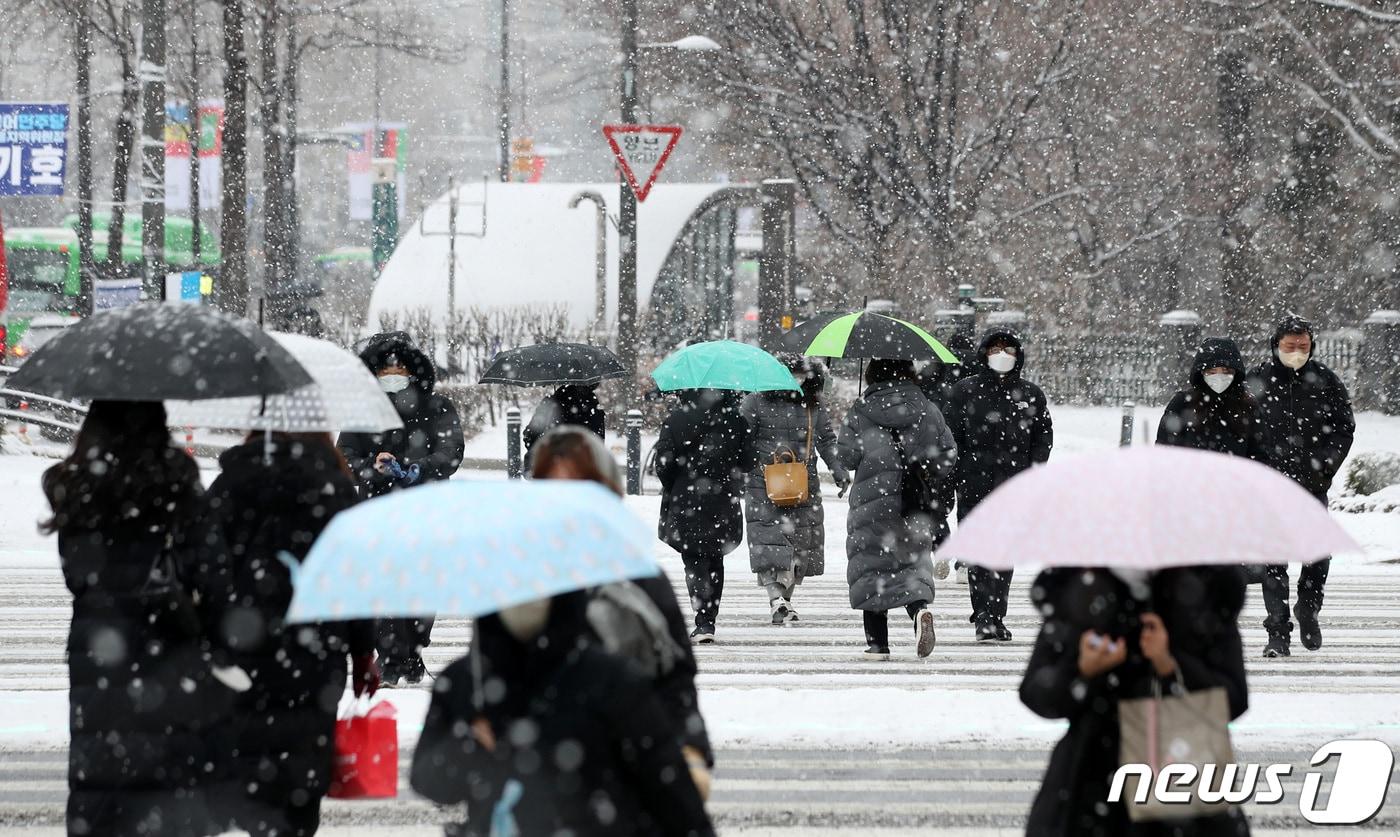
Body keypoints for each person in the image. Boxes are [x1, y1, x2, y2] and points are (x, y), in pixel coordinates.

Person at [45, 401, 238, 837]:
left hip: (98, 653)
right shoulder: (178, 484)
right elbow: (212, 576)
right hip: (169, 655)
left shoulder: (77, 486)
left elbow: (77, 576)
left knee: (102, 783)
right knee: (170, 795)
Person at [410, 591, 715, 836]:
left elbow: (668, 786)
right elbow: (428, 780)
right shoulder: (467, 681)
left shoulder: (608, 679)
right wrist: (470, 746)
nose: (525, 601)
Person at [206, 432, 380, 836]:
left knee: (250, 757)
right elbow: (355, 581)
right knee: (302, 770)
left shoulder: (232, 483)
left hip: (244, 649)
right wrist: (362, 651)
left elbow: (203, 563)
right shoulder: (336, 491)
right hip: (317, 655)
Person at [531, 425, 716, 791]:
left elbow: (676, 684)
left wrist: (690, 755)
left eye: (583, 490)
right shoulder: (520, 583)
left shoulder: (641, 581)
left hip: (631, 782)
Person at [1020, 566, 1251, 836]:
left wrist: (1171, 665)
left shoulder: (1207, 591)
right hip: (1091, 780)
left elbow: (1233, 700)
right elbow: (1037, 692)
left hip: (1179, 775)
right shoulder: (1079, 591)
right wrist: (1082, 670)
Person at [340, 331, 465, 686]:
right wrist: (371, 467)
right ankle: (394, 656)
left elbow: (451, 451)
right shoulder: (364, 412)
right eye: (385, 368)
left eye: (399, 366)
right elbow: (345, 455)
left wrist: (417, 468)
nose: (393, 373)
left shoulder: (436, 407)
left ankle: (410, 651)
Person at [1246, 315, 1355, 658]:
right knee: (1273, 560)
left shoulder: (1325, 381)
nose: (1296, 352)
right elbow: (1240, 428)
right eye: (1290, 346)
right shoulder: (1255, 382)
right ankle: (1277, 633)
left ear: (1312, 347)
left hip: (1311, 483)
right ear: (1276, 346)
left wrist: (1324, 466)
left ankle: (1308, 608)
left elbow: (1343, 429)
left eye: (1303, 347)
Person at [837, 358, 957, 658]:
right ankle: (918, 612)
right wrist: (925, 467)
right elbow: (948, 455)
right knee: (911, 564)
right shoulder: (927, 409)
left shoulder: (861, 410)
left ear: (872, 375)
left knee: (871, 566)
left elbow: (847, 457)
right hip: (911, 500)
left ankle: (877, 643)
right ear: (909, 373)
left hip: (871, 500)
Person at [945, 327, 1054, 641]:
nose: (1002, 355)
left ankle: (996, 614)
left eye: (1008, 349)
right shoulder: (964, 391)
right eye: (995, 348)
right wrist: (955, 476)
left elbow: (1042, 437)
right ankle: (983, 615)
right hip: (974, 483)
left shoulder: (1031, 394)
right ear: (983, 354)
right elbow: (952, 437)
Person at [740, 357, 850, 625]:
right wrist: (838, 469)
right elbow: (826, 441)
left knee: (784, 544)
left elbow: (741, 438)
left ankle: (780, 600)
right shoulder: (806, 403)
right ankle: (779, 598)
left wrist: (839, 468)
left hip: (774, 482)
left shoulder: (756, 401)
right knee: (781, 543)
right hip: (789, 482)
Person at [655, 389, 748, 640]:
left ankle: (703, 619)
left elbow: (663, 462)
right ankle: (709, 618)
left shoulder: (677, 419)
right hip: (722, 497)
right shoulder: (735, 420)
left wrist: (676, 482)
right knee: (716, 558)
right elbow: (748, 461)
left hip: (686, 498)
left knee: (694, 560)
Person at [1157, 337, 1264, 459]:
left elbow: (1259, 456)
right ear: (1201, 372)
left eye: (1226, 371)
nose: (1219, 376)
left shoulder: (1248, 406)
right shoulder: (1182, 403)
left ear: (1236, 372)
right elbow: (1164, 452)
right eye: (1212, 371)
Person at [523, 383, 605, 467]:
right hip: (584, 469)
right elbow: (599, 443)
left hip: (551, 467)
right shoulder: (594, 407)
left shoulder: (552, 402)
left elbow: (530, 436)